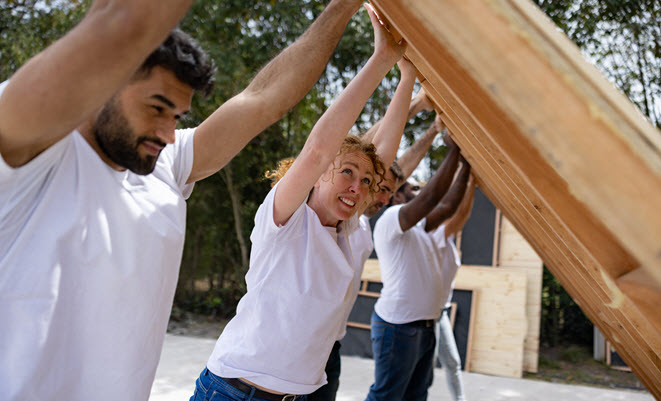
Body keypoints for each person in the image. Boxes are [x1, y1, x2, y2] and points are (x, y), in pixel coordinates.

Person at [0, 0, 367, 399]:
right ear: (104, 81)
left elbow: (265, 97)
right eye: (156, 107)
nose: (167, 131)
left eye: (176, 115)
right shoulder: (35, 154)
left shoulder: (165, 163)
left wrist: (342, 8)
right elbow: (118, 23)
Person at [191, 4, 406, 401]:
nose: (356, 187)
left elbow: (384, 158)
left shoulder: (351, 234)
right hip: (234, 393)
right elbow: (319, 149)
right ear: (322, 172)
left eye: (365, 182)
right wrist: (382, 60)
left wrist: (406, 75)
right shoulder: (285, 220)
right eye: (346, 172)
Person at [365, 133, 472, 401]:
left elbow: (447, 206)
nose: (418, 191)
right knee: (387, 396)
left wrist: (466, 166)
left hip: (425, 325)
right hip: (398, 326)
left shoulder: (421, 227)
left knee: (416, 395)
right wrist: (454, 151)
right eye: (412, 188)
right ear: (397, 198)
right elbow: (432, 198)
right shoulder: (390, 220)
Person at [431, 174, 476, 401]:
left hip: (442, 314)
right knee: (425, 370)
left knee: (453, 363)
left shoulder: (446, 240)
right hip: (430, 315)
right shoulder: (437, 236)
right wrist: (471, 183)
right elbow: (462, 214)